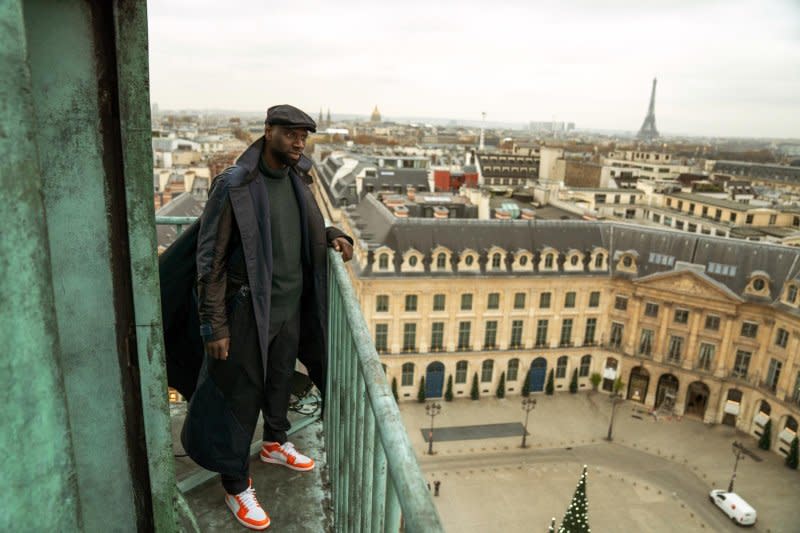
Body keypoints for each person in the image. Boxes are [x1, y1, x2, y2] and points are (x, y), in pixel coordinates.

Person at [190, 104, 353, 530]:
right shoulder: (236, 184)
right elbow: (210, 260)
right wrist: (215, 323)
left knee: (280, 379)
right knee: (240, 397)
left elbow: (300, 227)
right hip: (248, 311)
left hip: (289, 306)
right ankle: (234, 483)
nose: (299, 142)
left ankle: (275, 442)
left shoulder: (298, 177)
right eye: (290, 133)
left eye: (304, 135)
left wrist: (332, 233)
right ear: (267, 132)